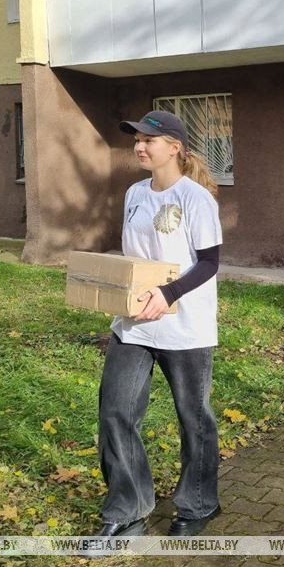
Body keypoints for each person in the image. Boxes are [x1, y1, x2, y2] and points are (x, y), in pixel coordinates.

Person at [95, 110, 223, 538]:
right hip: (133, 325)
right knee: (116, 411)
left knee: (193, 417)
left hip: (184, 327)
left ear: (174, 147)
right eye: (136, 140)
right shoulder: (134, 193)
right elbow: (136, 256)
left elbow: (209, 263)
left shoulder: (195, 198)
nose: (139, 146)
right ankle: (127, 510)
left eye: (148, 140)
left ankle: (199, 504)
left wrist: (168, 294)